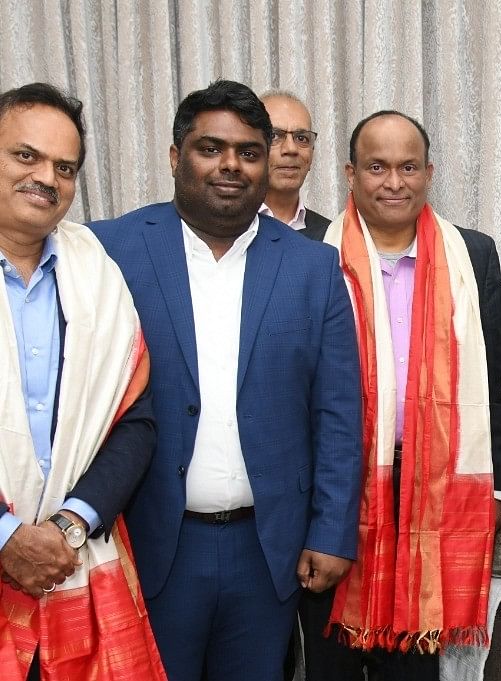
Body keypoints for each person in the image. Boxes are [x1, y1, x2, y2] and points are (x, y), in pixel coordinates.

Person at [89, 79, 363, 681]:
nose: (230, 165)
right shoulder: (109, 249)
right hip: (147, 542)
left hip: (268, 552)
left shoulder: (313, 266)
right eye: (210, 148)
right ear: (175, 156)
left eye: (248, 151)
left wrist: (333, 530)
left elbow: (340, 411)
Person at [298, 110, 501, 681]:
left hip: (438, 490)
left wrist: (499, 489)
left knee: (414, 665)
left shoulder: (473, 255)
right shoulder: (309, 257)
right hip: (336, 488)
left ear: (429, 173)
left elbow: (494, 376)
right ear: (350, 173)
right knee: (332, 660)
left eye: (408, 167)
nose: (394, 182)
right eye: (377, 167)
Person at [0, 82, 163, 681]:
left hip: (75, 560)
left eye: (64, 167)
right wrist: (6, 535)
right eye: (26, 156)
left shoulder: (97, 273)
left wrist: (70, 524)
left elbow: (135, 417)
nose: (46, 177)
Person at [259, 90, 330, 240]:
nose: (291, 149)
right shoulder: (226, 230)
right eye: (274, 136)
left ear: (312, 153)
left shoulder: (332, 236)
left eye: (302, 138)